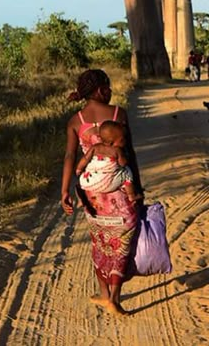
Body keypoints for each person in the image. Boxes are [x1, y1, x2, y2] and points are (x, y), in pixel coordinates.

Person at [61, 69, 143, 316]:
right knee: (122, 242)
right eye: (107, 86)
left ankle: (104, 293)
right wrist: (136, 187)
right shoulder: (119, 114)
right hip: (118, 193)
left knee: (99, 241)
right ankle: (114, 298)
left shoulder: (76, 120)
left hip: (92, 197)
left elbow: (69, 156)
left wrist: (65, 190)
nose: (111, 91)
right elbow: (129, 155)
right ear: (99, 90)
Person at [76, 120, 142, 204]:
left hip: (90, 182)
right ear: (111, 142)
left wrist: (79, 169)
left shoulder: (95, 147)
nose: (125, 141)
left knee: (85, 173)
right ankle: (131, 195)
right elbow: (123, 164)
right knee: (127, 172)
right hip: (108, 184)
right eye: (122, 140)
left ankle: (82, 195)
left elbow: (85, 159)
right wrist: (125, 157)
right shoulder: (117, 150)